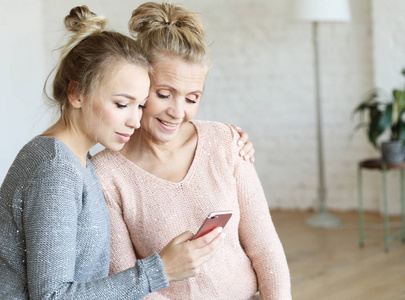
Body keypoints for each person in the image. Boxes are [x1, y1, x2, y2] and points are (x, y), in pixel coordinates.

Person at [0, 6, 228, 299]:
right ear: (77, 93)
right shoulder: (54, 171)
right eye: (122, 104)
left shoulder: (76, 161)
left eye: (140, 105)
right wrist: (162, 270)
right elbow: (52, 296)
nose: (134, 120)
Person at [92, 2, 291, 300]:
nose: (177, 112)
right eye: (164, 94)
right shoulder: (106, 175)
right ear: (139, 83)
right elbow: (126, 282)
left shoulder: (226, 142)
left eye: (192, 98)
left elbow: (265, 247)